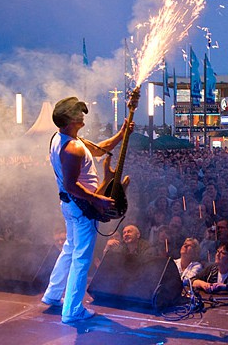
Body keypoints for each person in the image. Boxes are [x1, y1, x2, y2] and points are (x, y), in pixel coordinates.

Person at [42, 95, 135, 324]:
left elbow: (99, 149)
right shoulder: (72, 148)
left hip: (70, 206)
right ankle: (72, 311)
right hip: (81, 207)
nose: (82, 115)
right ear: (69, 120)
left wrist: (122, 134)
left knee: (70, 248)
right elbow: (71, 185)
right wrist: (97, 200)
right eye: (78, 113)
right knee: (81, 258)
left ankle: (53, 294)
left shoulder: (64, 138)